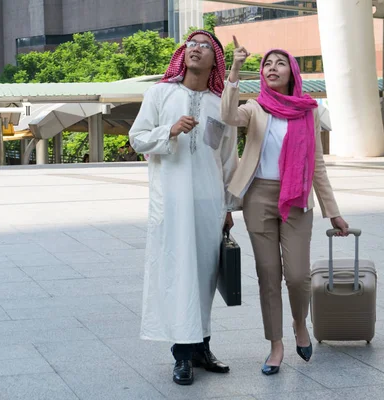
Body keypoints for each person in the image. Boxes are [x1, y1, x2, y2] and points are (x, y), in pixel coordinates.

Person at [220, 37, 350, 376]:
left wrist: (332, 210)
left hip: (296, 200)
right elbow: (228, 115)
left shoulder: (308, 111)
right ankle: (275, 345)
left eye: (279, 62)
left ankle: (299, 323)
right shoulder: (255, 107)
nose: (272, 67)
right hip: (258, 198)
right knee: (268, 276)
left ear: (292, 71)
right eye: (267, 63)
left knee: (297, 276)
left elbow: (317, 166)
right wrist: (234, 68)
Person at [129, 30, 239, 386]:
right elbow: (137, 138)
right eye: (191, 44)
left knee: (205, 275)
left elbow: (227, 158)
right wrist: (170, 131)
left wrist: (228, 206)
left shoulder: (220, 105)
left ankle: (202, 348)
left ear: (215, 60)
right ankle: (182, 355)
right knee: (179, 276)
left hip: (209, 202)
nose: (195, 49)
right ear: (183, 54)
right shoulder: (160, 93)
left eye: (205, 46)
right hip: (172, 203)